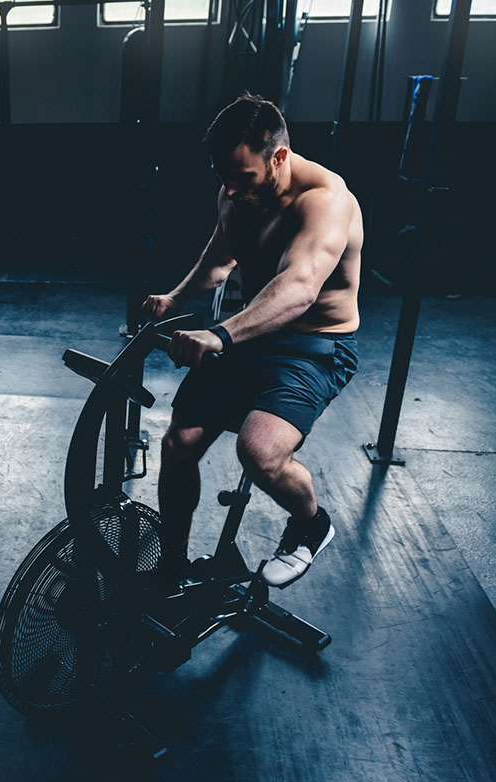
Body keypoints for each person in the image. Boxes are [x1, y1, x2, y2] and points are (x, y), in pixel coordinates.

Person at [143, 93, 361, 589]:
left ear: (279, 157)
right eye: (222, 176)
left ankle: (311, 525)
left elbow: (300, 287)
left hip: (314, 347)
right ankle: (172, 566)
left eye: (242, 176)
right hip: (251, 336)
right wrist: (175, 298)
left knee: (260, 452)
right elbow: (221, 258)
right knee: (178, 444)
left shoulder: (326, 201)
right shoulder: (237, 192)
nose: (230, 189)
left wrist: (219, 335)